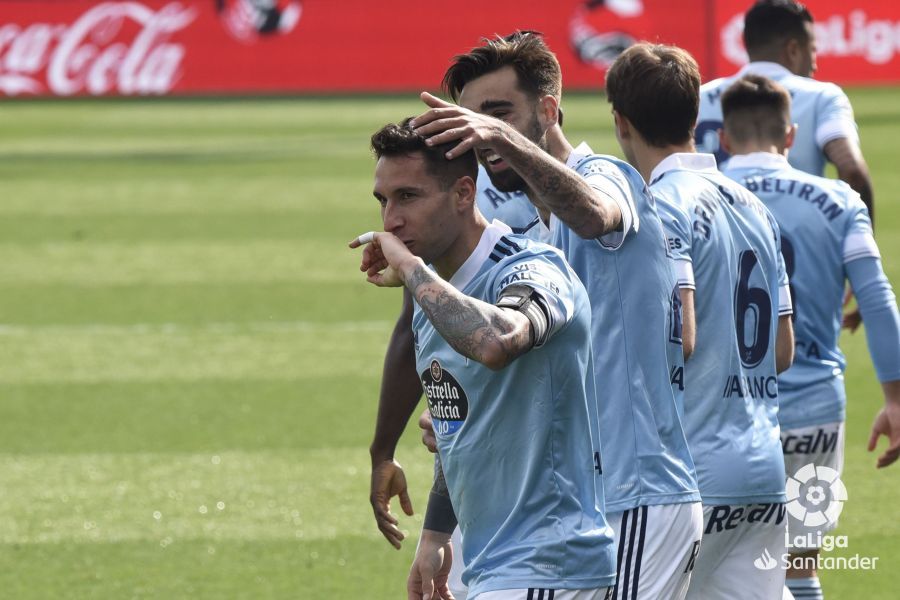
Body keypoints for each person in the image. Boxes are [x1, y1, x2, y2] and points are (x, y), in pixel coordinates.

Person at [411, 31, 702, 600]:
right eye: (473, 120)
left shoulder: (608, 176)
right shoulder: (535, 236)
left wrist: (501, 138)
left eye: (499, 114)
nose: (483, 134)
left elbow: (595, 215)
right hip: (593, 507)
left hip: (635, 496)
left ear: (548, 111)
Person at [353, 119, 617, 599]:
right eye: (383, 201)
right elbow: (459, 422)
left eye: (408, 197)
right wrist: (435, 535)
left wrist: (409, 268)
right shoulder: (437, 296)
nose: (390, 221)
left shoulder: (532, 269)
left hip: (549, 563)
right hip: (498, 565)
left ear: (463, 193)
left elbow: (496, 342)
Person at [604, 43, 795, 599]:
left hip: (691, 472)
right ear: (695, 114)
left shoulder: (660, 203)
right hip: (763, 469)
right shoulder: (755, 206)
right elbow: (782, 351)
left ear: (620, 122)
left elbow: (678, 335)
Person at [719, 74, 900, 600]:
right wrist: (895, 398)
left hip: (724, 415)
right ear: (791, 135)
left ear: (723, 138)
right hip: (815, 411)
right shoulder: (839, 200)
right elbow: (877, 299)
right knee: (799, 568)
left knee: (719, 573)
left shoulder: (695, 198)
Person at [695, 0, 874, 225]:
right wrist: (860, 237)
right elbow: (851, 169)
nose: (815, 64)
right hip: (796, 240)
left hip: (715, 238)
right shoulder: (822, 96)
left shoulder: (699, 97)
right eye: (813, 51)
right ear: (793, 50)